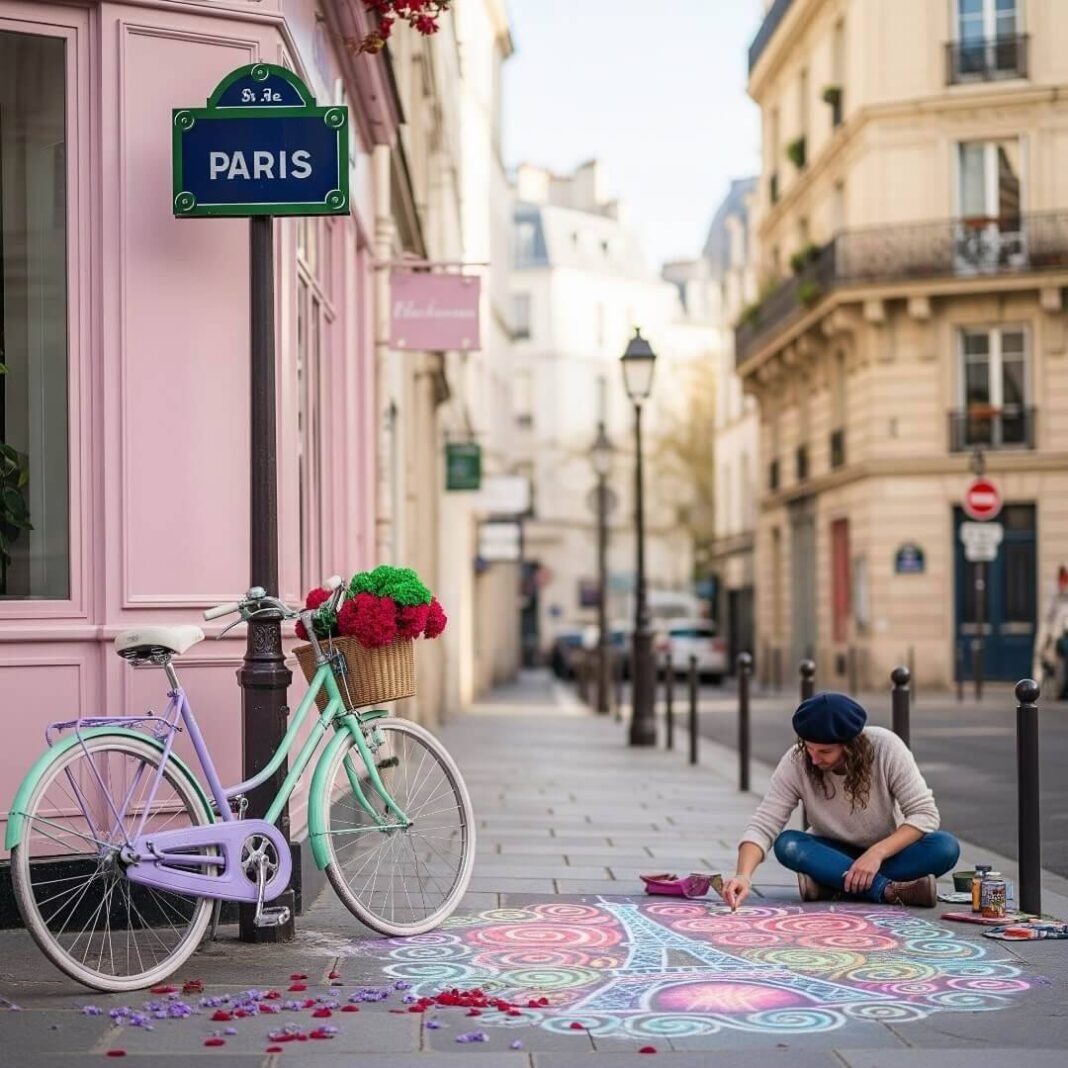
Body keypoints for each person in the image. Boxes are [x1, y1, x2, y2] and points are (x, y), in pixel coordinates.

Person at [722, 691, 960, 909]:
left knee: (945, 847)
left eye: (825, 752)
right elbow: (765, 823)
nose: (814, 759)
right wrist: (743, 875)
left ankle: (831, 885)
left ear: (851, 746)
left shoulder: (887, 747)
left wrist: (876, 854)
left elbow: (925, 814)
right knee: (788, 844)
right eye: (808, 748)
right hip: (831, 851)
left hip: (888, 851)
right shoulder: (796, 761)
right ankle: (887, 890)